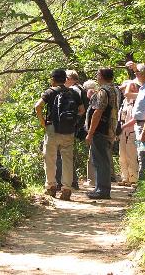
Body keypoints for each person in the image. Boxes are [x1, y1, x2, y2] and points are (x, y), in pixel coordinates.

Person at [35, 69, 84, 201]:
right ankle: (67, 189)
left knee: (50, 158)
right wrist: (72, 121)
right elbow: (82, 110)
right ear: (65, 79)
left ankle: (51, 187)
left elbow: (38, 106)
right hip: (68, 130)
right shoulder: (73, 93)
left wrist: (43, 123)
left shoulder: (50, 92)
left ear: (53, 79)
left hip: (52, 128)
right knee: (67, 159)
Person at [85, 68, 119, 199]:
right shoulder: (114, 89)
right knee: (102, 159)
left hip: (101, 129)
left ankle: (102, 191)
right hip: (110, 128)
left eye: (98, 75)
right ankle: (100, 188)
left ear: (102, 76)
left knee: (100, 160)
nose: (96, 77)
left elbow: (98, 112)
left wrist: (90, 132)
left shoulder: (103, 91)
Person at [125, 61, 145, 180]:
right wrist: (135, 67)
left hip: (143, 126)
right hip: (140, 125)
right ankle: (143, 183)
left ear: (142, 74)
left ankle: (144, 184)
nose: (135, 74)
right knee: (141, 153)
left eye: (137, 72)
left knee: (144, 154)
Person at [55, 70, 87, 190]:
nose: (66, 80)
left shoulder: (73, 90)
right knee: (68, 154)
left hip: (65, 127)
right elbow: (82, 110)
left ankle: (62, 183)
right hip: (72, 126)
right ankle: (72, 182)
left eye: (67, 77)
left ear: (71, 78)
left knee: (61, 155)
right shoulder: (78, 89)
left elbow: (80, 109)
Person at [117, 80, 139, 187]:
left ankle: (133, 179)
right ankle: (125, 178)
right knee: (122, 156)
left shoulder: (137, 100)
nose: (122, 91)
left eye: (124, 88)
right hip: (123, 133)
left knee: (132, 155)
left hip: (132, 132)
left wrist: (123, 126)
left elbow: (136, 118)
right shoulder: (125, 101)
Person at [82, 79, 98, 187]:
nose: (85, 93)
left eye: (86, 90)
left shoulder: (95, 100)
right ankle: (94, 180)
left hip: (95, 132)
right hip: (94, 131)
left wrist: (90, 132)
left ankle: (93, 181)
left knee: (93, 156)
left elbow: (95, 116)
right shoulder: (94, 100)